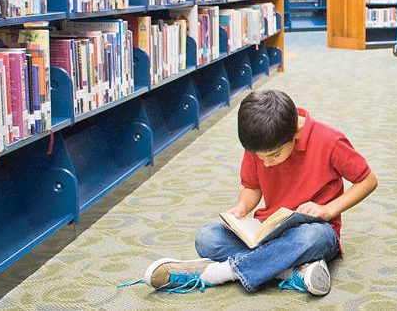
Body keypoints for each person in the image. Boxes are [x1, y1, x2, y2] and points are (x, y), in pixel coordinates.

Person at [142, 89, 377, 296]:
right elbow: (252, 188)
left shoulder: (329, 140)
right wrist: (240, 209)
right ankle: (291, 271)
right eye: (259, 157)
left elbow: (368, 180)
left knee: (313, 238)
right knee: (207, 238)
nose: (266, 163)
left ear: (295, 133)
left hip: (314, 230)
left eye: (273, 155)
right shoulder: (260, 143)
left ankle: (218, 273)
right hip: (267, 230)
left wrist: (327, 210)